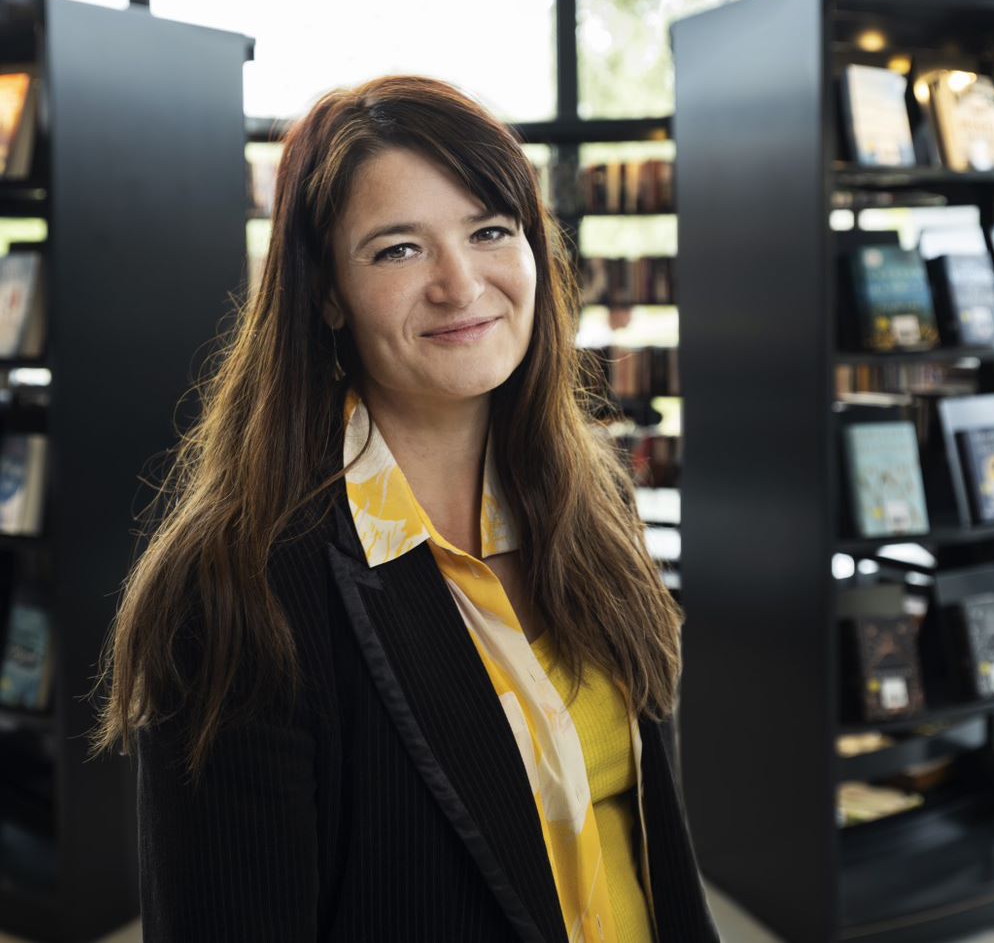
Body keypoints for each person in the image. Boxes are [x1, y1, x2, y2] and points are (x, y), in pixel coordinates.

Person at [95, 75, 718, 941]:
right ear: (325, 294)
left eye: (489, 231)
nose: (460, 285)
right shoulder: (237, 587)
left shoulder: (591, 495)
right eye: (398, 249)